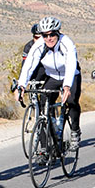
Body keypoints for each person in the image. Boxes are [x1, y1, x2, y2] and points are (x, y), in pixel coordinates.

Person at [14, 15, 82, 148]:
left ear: (57, 33)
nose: (48, 38)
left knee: (71, 101)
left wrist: (67, 86)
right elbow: (29, 65)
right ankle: (54, 141)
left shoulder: (66, 43)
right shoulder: (39, 45)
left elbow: (71, 65)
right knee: (44, 104)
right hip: (53, 77)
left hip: (71, 75)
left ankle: (75, 130)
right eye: (45, 35)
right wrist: (21, 85)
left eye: (51, 35)